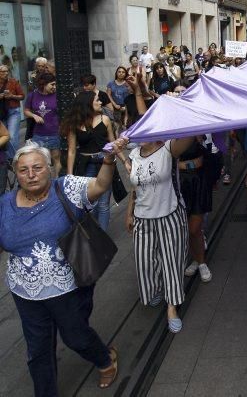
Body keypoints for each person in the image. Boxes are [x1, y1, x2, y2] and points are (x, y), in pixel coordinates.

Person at [0, 139, 127, 395]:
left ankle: (104, 358)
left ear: (50, 167)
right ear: (16, 172)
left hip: (68, 286)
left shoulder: (65, 188)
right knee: (38, 351)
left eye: (37, 167)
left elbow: (101, 185)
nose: (31, 174)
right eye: (23, 170)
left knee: (76, 337)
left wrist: (109, 160)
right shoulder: (4, 204)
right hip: (26, 290)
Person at [126, 79, 194, 333]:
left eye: (146, 128)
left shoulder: (168, 149)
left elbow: (188, 132)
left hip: (169, 216)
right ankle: (155, 290)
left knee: (172, 261)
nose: (141, 132)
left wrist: (182, 107)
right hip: (143, 219)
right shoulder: (134, 154)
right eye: (138, 128)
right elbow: (137, 185)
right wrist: (130, 212)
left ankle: (172, 305)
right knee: (144, 262)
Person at [62, 90, 129, 231]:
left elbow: (113, 143)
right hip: (86, 165)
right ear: (88, 104)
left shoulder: (104, 119)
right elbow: (72, 150)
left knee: (104, 204)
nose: (100, 102)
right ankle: (93, 234)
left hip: (104, 163)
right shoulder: (75, 124)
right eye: (97, 100)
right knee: (89, 203)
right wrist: (69, 176)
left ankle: (102, 236)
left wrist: (125, 161)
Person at [179, 136, 213, 283]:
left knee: (194, 228)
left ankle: (201, 262)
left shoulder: (196, 129)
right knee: (185, 228)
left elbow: (204, 158)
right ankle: (196, 259)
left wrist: (183, 165)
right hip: (177, 184)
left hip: (197, 182)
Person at [23, 72, 61, 177]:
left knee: (56, 158)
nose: (55, 87)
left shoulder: (58, 95)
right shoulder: (33, 95)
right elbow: (26, 110)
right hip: (38, 134)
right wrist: (34, 116)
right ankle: (45, 183)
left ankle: (56, 182)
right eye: (52, 84)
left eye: (55, 84)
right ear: (43, 84)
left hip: (54, 132)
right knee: (41, 160)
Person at [0, 64, 24, 158]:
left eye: (7, 71)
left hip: (13, 111)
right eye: (3, 72)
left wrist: (11, 96)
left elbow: (22, 96)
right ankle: (8, 159)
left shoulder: (13, 82)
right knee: (5, 137)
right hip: (1, 113)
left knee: (12, 136)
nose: (6, 73)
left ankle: (13, 159)